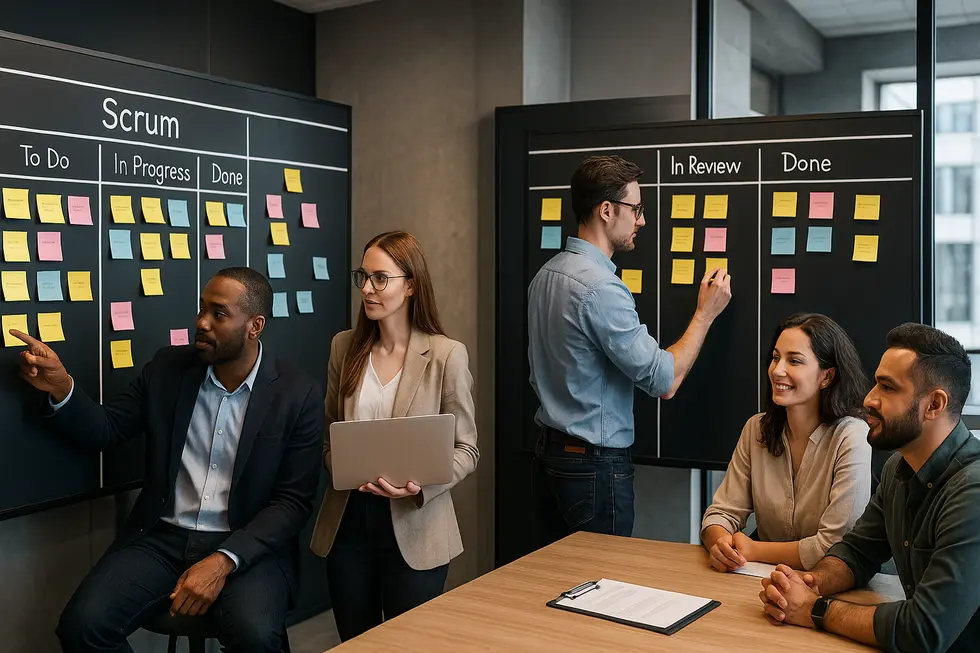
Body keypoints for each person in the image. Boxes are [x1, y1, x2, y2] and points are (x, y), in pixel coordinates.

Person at [10, 268, 323, 653]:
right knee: (82, 626)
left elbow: (292, 503)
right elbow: (108, 428)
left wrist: (224, 560)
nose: (202, 322)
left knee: (254, 635)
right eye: (201, 309)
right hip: (163, 539)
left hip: (246, 546)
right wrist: (61, 386)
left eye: (219, 314)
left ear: (254, 326)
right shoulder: (168, 369)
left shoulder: (297, 393)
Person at [528, 154, 732, 546]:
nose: (642, 220)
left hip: (550, 458)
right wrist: (705, 314)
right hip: (593, 469)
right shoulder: (601, 288)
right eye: (635, 209)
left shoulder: (546, 275)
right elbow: (664, 381)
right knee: (601, 578)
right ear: (607, 210)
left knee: (557, 577)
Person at [758, 323, 980, 653]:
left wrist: (814, 609)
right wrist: (809, 584)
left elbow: (924, 630)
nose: (869, 399)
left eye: (887, 388)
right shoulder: (898, 468)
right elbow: (857, 552)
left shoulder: (972, 492)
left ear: (934, 405)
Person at [309, 231, 479, 642]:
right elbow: (329, 437)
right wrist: (346, 468)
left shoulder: (446, 355)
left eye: (380, 278)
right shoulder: (343, 347)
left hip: (416, 524)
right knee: (356, 643)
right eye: (363, 277)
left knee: (407, 645)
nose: (367, 289)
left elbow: (467, 449)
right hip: (348, 524)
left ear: (411, 285)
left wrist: (420, 487)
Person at [701, 313, 872, 572]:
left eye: (794, 361)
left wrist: (754, 550)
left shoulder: (852, 435)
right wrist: (722, 544)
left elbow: (835, 545)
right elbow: (721, 514)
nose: (777, 370)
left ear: (827, 377)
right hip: (760, 577)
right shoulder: (756, 429)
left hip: (828, 584)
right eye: (775, 357)